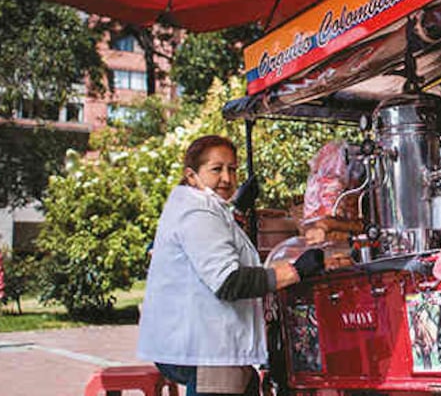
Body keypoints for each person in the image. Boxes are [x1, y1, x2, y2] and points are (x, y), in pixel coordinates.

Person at [137, 134, 324, 396]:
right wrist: (294, 271)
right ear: (192, 176)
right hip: (207, 347)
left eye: (232, 169)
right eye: (217, 169)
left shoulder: (205, 208)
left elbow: (217, 246)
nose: (227, 178)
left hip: (213, 344)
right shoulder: (197, 213)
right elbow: (229, 281)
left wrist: (238, 208)